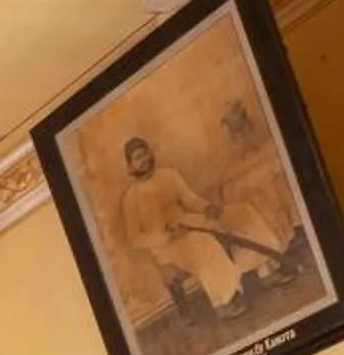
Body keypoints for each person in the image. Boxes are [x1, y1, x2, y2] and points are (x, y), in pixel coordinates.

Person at [114, 133, 274, 323]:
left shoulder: (168, 174)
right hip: (167, 246)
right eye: (138, 158)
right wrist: (166, 237)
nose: (144, 160)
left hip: (189, 223)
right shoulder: (131, 198)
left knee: (240, 213)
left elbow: (189, 199)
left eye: (145, 153)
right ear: (131, 166)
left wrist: (207, 207)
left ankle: (266, 270)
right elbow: (135, 239)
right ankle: (224, 301)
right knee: (203, 244)